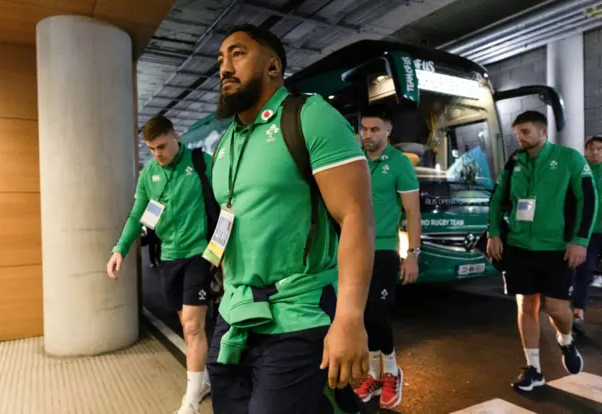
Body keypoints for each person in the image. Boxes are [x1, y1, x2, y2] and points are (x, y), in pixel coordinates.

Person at [206, 24, 375, 413]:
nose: (224, 68)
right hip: (234, 316)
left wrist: (349, 318)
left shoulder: (310, 116)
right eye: (220, 60)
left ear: (272, 66)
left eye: (237, 53)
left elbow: (356, 216)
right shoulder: (225, 143)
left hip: (298, 315)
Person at [106, 115, 213, 414]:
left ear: (175, 136)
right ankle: (202, 379)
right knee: (186, 324)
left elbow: (230, 198)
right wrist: (119, 249)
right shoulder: (149, 176)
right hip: (169, 258)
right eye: (152, 149)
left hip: (198, 254)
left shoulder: (201, 163)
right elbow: (136, 215)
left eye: (162, 146)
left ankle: (190, 401)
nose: (158, 154)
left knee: (192, 326)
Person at [487, 110, 598, 392]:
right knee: (526, 305)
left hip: (557, 248)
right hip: (520, 247)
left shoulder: (569, 158)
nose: (520, 139)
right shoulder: (514, 163)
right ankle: (534, 369)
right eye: (517, 133)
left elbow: (589, 199)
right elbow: (497, 199)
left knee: (557, 307)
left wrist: (580, 240)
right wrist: (495, 233)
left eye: (525, 132)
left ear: (542, 131)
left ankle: (566, 339)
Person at [353, 106, 421, 410]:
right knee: (360, 316)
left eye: (374, 130)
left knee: (376, 312)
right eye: (364, 129)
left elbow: (413, 212)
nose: (368, 135)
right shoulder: (353, 160)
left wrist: (413, 255)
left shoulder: (400, 165)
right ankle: (372, 374)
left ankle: (392, 372)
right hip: (352, 248)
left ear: (388, 131)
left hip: (383, 249)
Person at [573, 135, 602, 334]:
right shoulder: (581, 171)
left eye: (600, 149)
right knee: (584, 271)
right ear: (586, 151)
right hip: (588, 232)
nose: (595, 152)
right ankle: (578, 311)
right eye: (592, 149)